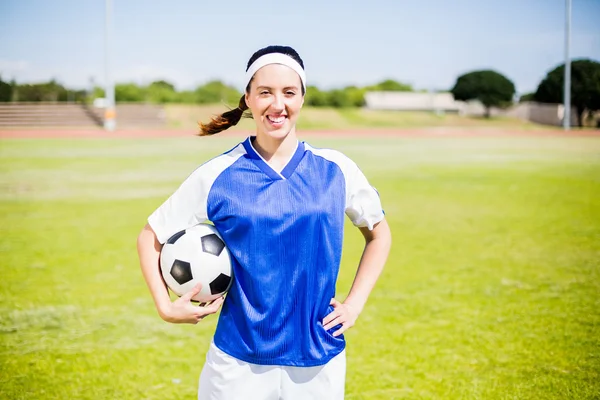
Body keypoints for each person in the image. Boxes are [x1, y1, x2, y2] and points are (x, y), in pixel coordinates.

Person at [136, 44, 392, 399]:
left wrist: (355, 303)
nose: (277, 104)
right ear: (249, 99)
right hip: (238, 361)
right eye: (265, 92)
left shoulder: (336, 170)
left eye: (289, 92)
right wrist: (165, 307)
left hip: (318, 356)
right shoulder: (218, 174)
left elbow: (379, 234)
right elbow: (151, 236)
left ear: (302, 98)